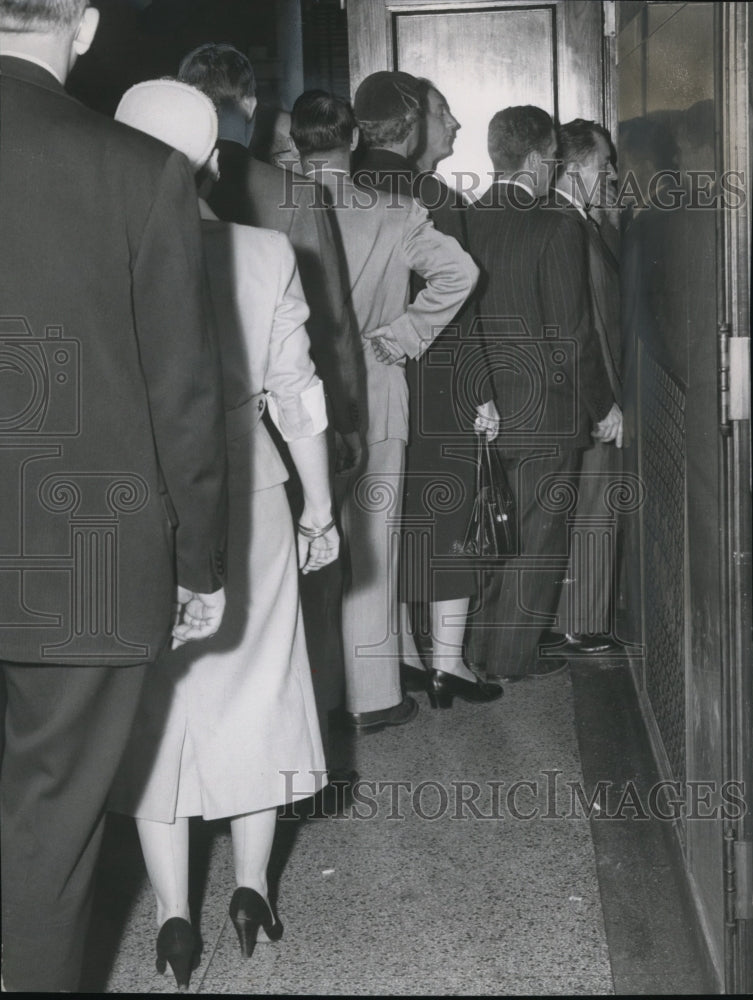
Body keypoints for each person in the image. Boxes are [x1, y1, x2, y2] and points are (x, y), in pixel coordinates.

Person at [0, 3, 228, 993]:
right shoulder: (140, 173)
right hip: (84, 553)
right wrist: (201, 562)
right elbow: (183, 396)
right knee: (51, 829)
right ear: (83, 25)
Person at [111, 79, 339, 991]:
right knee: (261, 691)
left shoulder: (102, 254)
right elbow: (300, 394)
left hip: (139, 507)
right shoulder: (264, 252)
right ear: (214, 161)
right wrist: (318, 507)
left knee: (157, 711)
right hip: (253, 498)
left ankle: (172, 918)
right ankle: (250, 891)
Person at [178, 43, 359, 768]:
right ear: (249, 105)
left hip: (176, 433)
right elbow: (333, 328)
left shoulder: (133, 190)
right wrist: (343, 429)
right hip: (279, 432)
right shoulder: (292, 196)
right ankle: (291, 750)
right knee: (297, 602)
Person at [290, 88, 480, 727]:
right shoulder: (396, 212)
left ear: (297, 144)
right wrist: (402, 335)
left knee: (305, 547)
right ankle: (373, 696)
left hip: (294, 396)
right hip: (374, 388)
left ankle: (311, 701)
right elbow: (460, 274)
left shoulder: (272, 208)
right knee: (370, 545)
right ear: (352, 142)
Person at [464, 106, 621, 680]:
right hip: (545, 412)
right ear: (533, 159)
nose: (554, 169)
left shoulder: (464, 218)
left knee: (493, 535)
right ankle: (512, 658)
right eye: (553, 158)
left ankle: (478, 650)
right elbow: (572, 333)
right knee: (539, 538)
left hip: (483, 405)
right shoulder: (555, 225)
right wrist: (603, 406)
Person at [392, 78, 503, 706]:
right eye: (443, 112)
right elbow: (461, 311)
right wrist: (481, 391)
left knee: (399, 519)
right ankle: (448, 662)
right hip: (440, 381)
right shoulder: (436, 196)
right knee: (452, 517)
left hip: (383, 377)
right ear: (411, 123)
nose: (456, 123)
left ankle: (406, 660)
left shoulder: (355, 189)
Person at [551, 119, 624, 653]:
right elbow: (584, 327)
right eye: (604, 164)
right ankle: (579, 623)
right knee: (592, 505)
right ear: (574, 169)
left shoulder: (576, 221)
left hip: (574, 395)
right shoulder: (567, 226)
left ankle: (576, 617)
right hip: (586, 396)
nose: (614, 174)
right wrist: (606, 402)